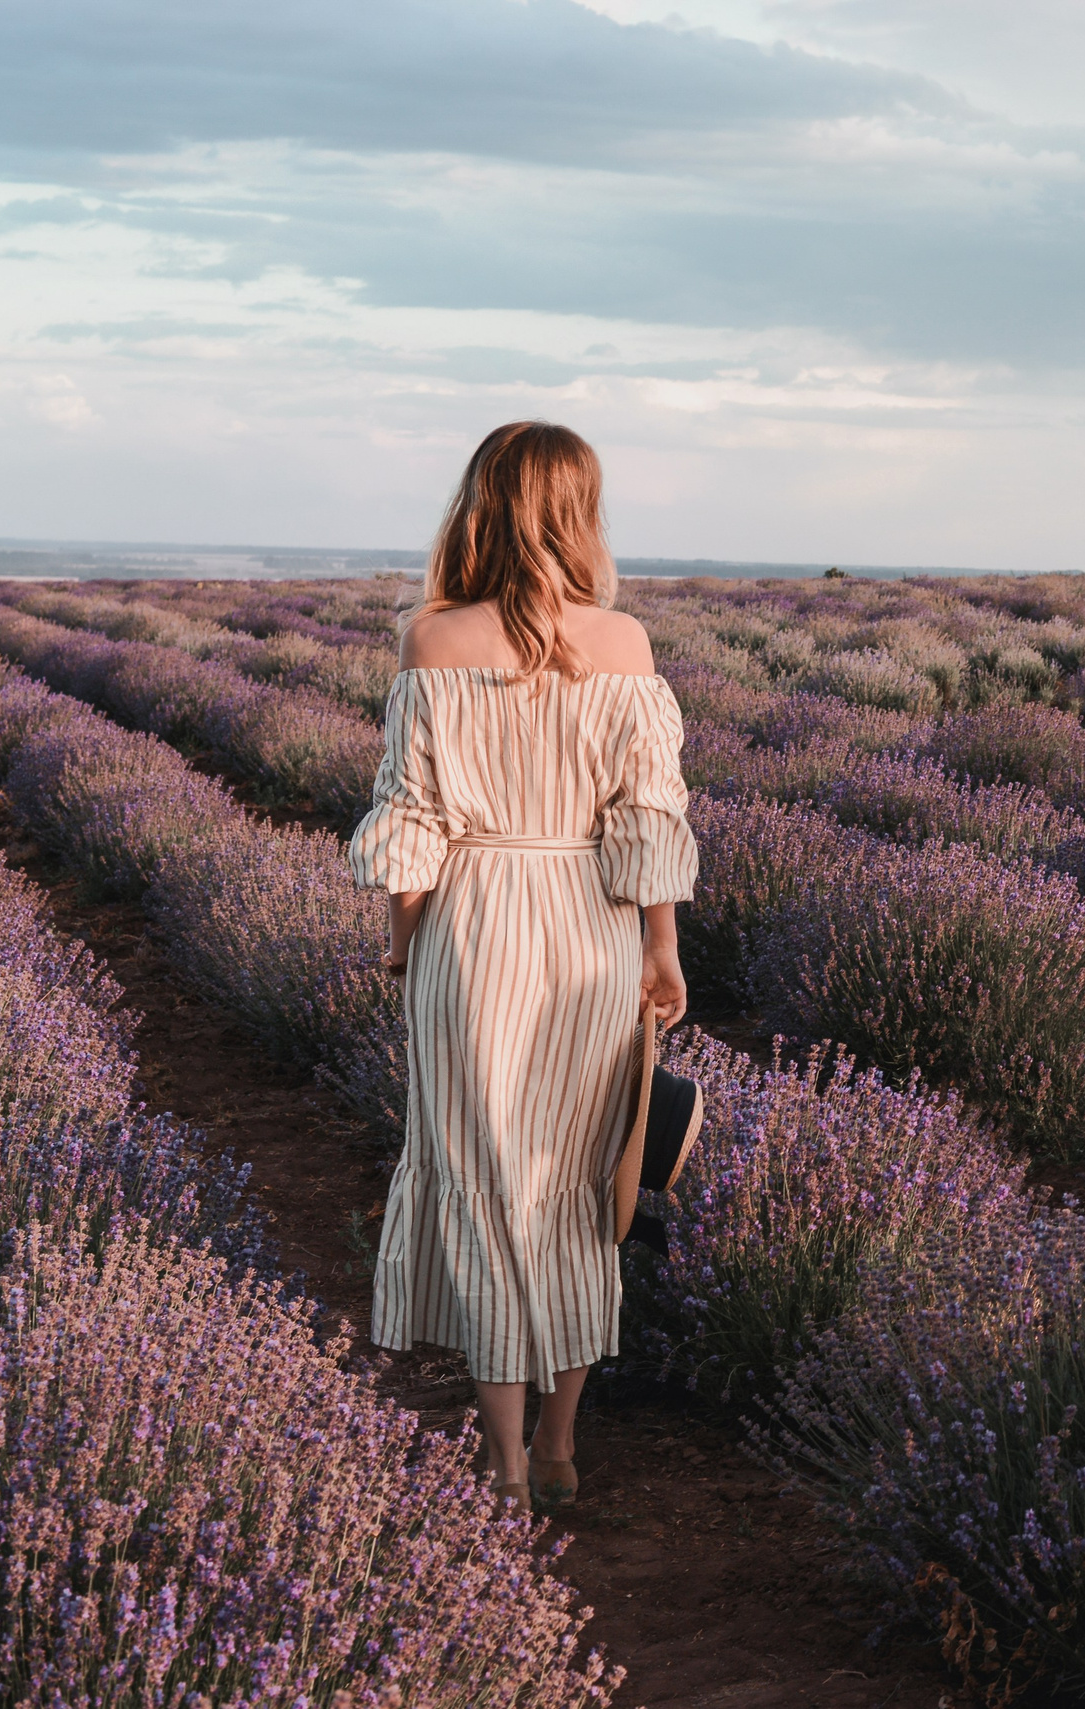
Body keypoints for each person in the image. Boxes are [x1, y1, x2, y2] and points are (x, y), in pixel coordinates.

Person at [348, 420, 695, 1512]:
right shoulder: (625, 643)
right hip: (591, 921)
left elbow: (412, 820)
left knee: (483, 1179)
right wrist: (661, 947)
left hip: (474, 926)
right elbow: (648, 816)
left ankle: (500, 1465)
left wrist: (405, 941)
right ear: (580, 511)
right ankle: (557, 1443)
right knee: (585, 1184)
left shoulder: (432, 638)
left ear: (480, 505)